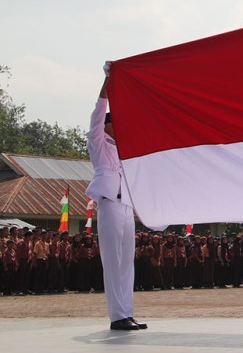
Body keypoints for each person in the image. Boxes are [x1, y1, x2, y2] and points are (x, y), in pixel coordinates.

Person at [86, 65, 147, 331]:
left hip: (126, 206)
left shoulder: (124, 151)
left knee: (126, 263)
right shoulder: (98, 143)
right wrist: (108, 82)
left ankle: (127, 313)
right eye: (115, 123)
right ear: (108, 126)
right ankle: (117, 316)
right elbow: (97, 114)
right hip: (109, 203)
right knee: (112, 262)